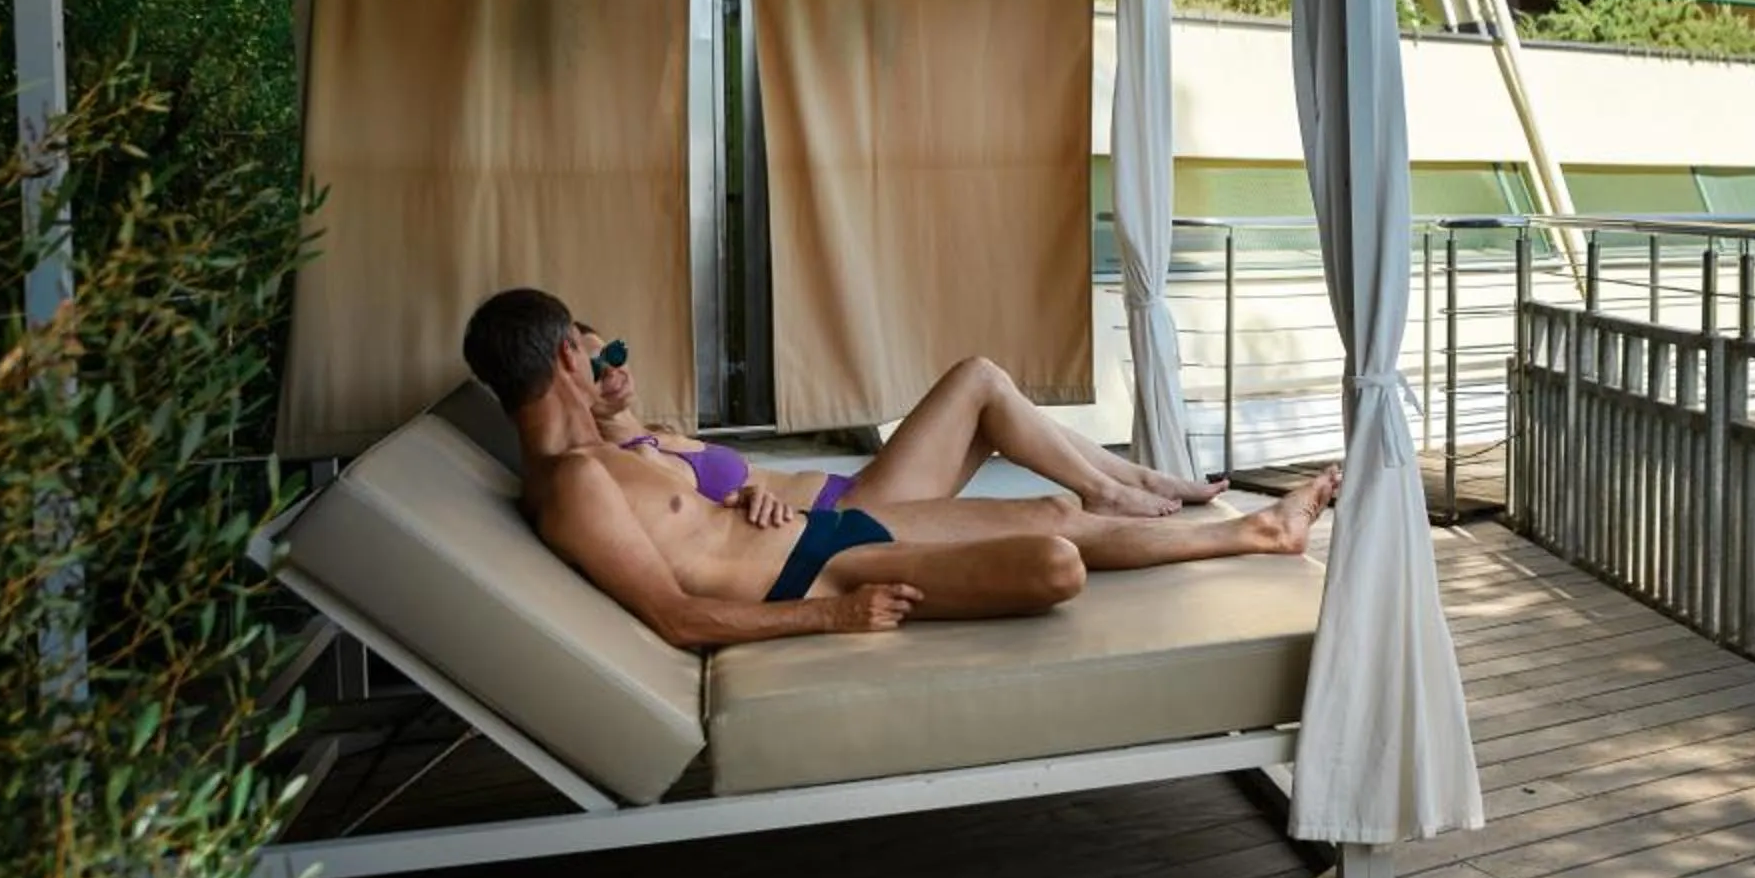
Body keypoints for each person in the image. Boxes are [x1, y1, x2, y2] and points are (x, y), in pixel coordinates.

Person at [462, 288, 1339, 648]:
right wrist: (834, 616)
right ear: (566, 363)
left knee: (1046, 516)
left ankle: (1260, 531)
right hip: (817, 573)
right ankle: (1216, 519)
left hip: (820, 530)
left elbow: (713, 504)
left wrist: (755, 492)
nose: (603, 359)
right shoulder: (573, 485)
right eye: (590, 347)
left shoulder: (601, 458)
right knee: (1055, 564)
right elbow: (679, 618)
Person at [578, 324, 1222, 522]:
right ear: (571, 389)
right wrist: (750, 495)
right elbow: (689, 523)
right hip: (849, 516)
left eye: (614, 352)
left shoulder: (653, 429)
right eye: (594, 367)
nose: (613, 370)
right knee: (978, 378)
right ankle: (1106, 492)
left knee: (997, 410)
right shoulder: (628, 460)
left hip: (844, 494)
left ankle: (1144, 477)